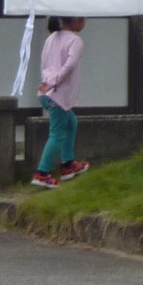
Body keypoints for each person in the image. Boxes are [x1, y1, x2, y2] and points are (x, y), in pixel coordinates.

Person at [32, 17, 90, 189]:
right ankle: (42, 173)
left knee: (71, 122)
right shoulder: (75, 40)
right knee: (57, 133)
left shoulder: (51, 38)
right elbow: (70, 64)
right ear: (75, 21)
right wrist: (55, 81)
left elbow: (45, 63)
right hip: (57, 93)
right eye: (83, 19)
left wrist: (48, 81)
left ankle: (68, 164)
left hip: (46, 92)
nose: (85, 22)